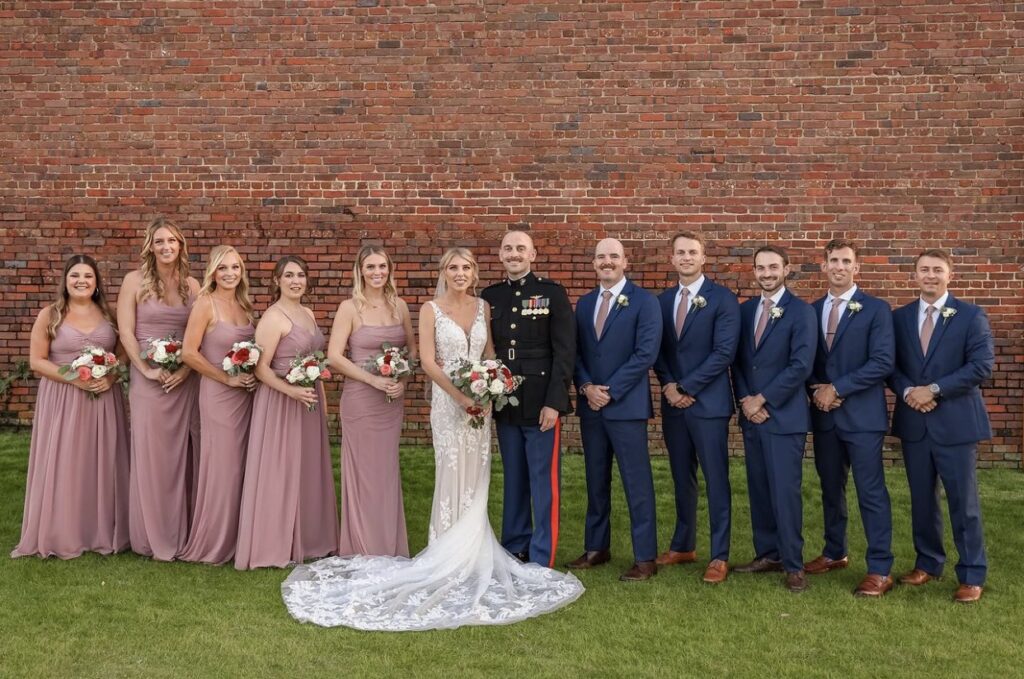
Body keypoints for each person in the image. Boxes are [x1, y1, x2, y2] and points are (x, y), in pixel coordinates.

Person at [281, 247, 583, 631]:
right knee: (451, 470)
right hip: (448, 403)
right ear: (444, 272)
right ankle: (444, 549)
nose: (460, 273)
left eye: (467, 268)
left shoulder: (484, 306)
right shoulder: (428, 309)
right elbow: (426, 360)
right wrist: (459, 396)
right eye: (453, 267)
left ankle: (474, 550)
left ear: (474, 273)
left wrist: (491, 385)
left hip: (480, 403)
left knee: (477, 474)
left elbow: (489, 353)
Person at [889, 249, 993, 603]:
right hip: (915, 423)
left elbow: (981, 366)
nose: (930, 275)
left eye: (937, 270)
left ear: (951, 275)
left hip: (956, 424)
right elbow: (890, 365)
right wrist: (908, 392)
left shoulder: (970, 316)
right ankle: (928, 562)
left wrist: (933, 389)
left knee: (964, 503)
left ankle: (972, 573)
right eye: (923, 270)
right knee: (921, 500)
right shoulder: (899, 318)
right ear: (914, 275)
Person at [12, 254, 130, 559]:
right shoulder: (50, 314)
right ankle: (62, 531)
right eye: (75, 276)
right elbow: (37, 361)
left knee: (101, 461)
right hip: (63, 398)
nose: (81, 281)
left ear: (96, 282)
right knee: (65, 460)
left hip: (103, 398)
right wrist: (74, 378)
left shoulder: (109, 315)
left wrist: (112, 376)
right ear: (65, 281)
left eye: (88, 276)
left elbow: (123, 353)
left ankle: (100, 530)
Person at [234, 256, 339, 570]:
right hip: (281, 401)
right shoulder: (273, 317)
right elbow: (261, 369)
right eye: (289, 275)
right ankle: (273, 542)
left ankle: (309, 538)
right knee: (280, 469)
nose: (296, 281)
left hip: (308, 399)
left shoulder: (306, 313)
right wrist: (291, 390)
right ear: (277, 281)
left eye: (301, 275)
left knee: (307, 467)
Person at [568, 238, 662, 581]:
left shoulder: (644, 302)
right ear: (594, 263)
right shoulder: (585, 303)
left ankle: (645, 557)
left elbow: (646, 353)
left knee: (636, 483)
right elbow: (576, 353)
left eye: (613, 257)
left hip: (626, 407)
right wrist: (587, 387)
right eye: (600, 257)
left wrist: (611, 391)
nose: (607, 262)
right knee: (596, 479)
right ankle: (597, 547)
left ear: (626, 262)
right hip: (592, 407)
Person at [805, 239, 895, 596]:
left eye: (846, 261)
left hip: (862, 416)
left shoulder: (875, 309)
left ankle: (879, 568)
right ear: (823, 266)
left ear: (857, 267)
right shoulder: (810, 311)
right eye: (833, 260)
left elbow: (882, 361)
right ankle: (834, 551)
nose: (839, 266)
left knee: (870, 491)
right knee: (830, 488)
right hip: (824, 415)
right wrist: (817, 389)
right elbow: (804, 360)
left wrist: (837, 389)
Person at [481, 231, 575, 568]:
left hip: (541, 404)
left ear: (533, 254)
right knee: (514, 478)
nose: (514, 254)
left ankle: (541, 554)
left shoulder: (551, 293)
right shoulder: (489, 296)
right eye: (508, 248)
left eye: (521, 248)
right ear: (500, 254)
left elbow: (565, 352)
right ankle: (514, 546)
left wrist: (555, 402)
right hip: (506, 401)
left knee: (543, 482)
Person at [652, 231, 740, 584]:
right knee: (681, 476)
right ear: (672, 259)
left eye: (692, 252)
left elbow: (724, 352)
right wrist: (670, 386)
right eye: (680, 252)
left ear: (703, 258)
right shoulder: (661, 301)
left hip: (709, 403)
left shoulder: (723, 299)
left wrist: (687, 387)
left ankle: (719, 554)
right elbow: (657, 350)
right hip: (674, 404)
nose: (686, 257)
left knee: (716, 478)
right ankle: (683, 544)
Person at [731, 245, 816, 593]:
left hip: (784, 417)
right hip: (753, 416)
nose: (766, 273)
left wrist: (763, 399)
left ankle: (794, 564)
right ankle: (767, 553)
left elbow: (801, 366)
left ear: (786, 269)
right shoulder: (746, 310)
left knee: (785, 492)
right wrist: (746, 401)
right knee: (760, 489)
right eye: (760, 268)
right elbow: (737, 361)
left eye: (773, 267)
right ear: (754, 271)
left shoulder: (801, 312)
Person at [117, 217, 201, 561]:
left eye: (172, 241)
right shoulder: (133, 282)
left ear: (181, 246)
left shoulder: (193, 286)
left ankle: (182, 531)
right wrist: (147, 371)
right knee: (151, 456)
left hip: (184, 382)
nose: (166, 247)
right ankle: (149, 535)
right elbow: (126, 332)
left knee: (182, 454)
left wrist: (183, 370)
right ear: (150, 247)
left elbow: (201, 335)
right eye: (160, 242)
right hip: (147, 381)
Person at [329, 246, 416, 558]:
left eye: (382, 266)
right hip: (361, 400)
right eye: (370, 267)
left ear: (389, 269)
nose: (377, 272)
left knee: (385, 471)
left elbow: (412, 353)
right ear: (360, 271)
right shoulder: (349, 308)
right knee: (363, 472)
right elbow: (334, 356)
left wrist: (402, 383)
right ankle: (361, 545)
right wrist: (372, 380)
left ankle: (388, 544)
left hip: (390, 402)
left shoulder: (400, 307)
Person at [179, 246, 257, 565]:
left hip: (246, 395)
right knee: (222, 467)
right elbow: (189, 352)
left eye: (235, 268)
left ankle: (242, 536)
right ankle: (213, 542)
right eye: (223, 268)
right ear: (213, 272)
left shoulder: (244, 305)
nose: (229, 274)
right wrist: (227, 380)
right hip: (219, 394)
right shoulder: (205, 304)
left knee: (243, 465)